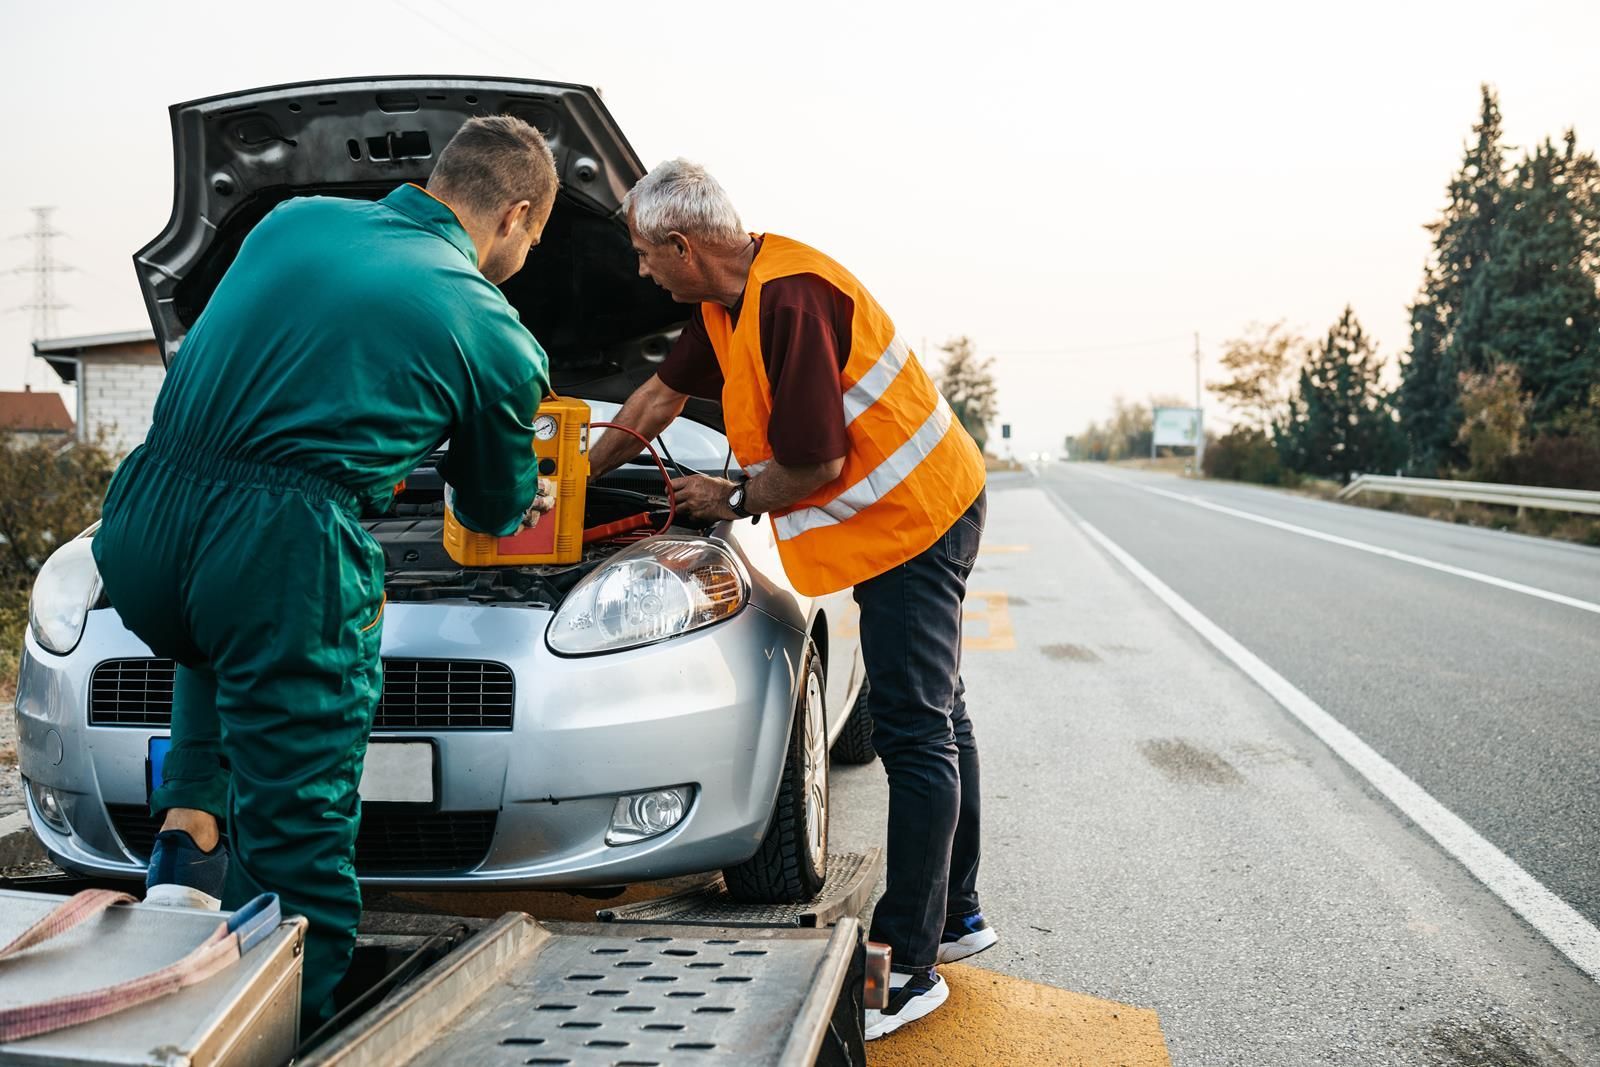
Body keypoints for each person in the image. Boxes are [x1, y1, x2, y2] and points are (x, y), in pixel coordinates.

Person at [92, 115, 559, 1024]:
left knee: (214, 639)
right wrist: (525, 500)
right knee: (302, 837)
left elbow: (263, 367)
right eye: (536, 238)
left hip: (144, 523)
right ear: (514, 216)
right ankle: (287, 1029)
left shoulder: (291, 220)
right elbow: (493, 509)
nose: (528, 255)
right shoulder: (487, 322)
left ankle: (186, 850)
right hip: (278, 557)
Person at [586, 159, 994, 1040]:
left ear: (683, 245)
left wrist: (728, 498)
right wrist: (576, 481)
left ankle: (914, 964)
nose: (643, 273)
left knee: (917, 733)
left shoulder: (791, 303)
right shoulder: (726, 301)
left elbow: (816, 466)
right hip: (917, 505)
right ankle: (958, 915)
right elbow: (657, 396)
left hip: (917, 518)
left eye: (647, 257)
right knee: (942, 717)